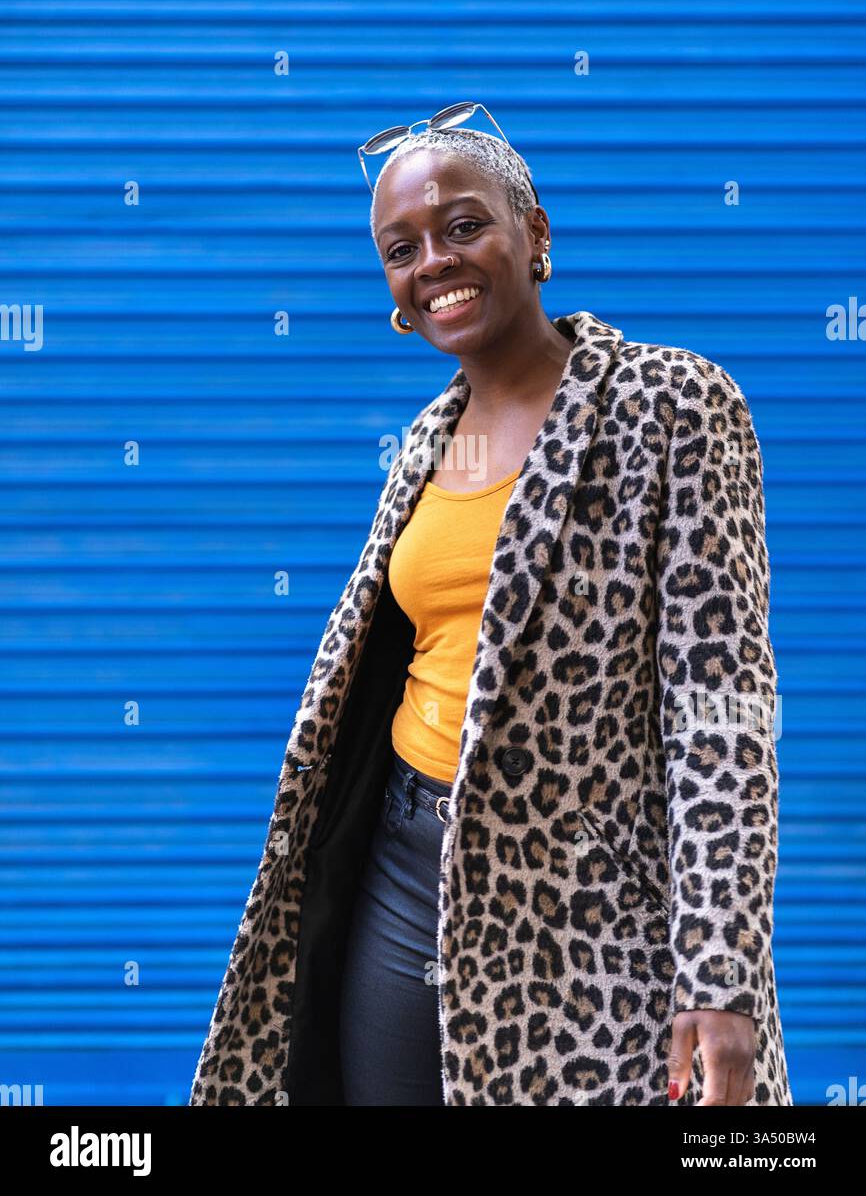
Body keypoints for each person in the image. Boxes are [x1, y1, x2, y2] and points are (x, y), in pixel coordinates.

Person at [189, 104, 793, 1107]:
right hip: (401, 864)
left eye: (462, 226)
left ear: (535, 234)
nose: (433, 261)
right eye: (402, 248)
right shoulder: (428, 439)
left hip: (595, 901)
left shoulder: (673, 406)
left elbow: (720, 708)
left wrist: (719, 970)